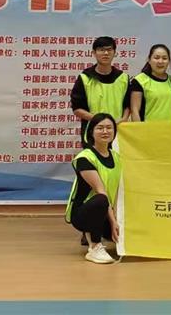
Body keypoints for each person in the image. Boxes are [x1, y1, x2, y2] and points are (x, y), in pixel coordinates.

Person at [65, 113, 121, 264]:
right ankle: (94, 246)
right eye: (100, 128)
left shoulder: (117, 157)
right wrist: (113, 222)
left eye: (109, 127)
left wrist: (118, 219)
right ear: (91, 132)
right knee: (101, 199)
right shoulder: (85, 158)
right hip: (84, 213)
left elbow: (116, 191)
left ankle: (106, 235)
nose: (105, 131)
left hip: (106, 212)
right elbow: (101, 191)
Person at [71, 36, 130, 142]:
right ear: (94, 53)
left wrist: (124, 119)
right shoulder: (85, 78)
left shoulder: (123, 78)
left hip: (118, 131)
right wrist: (99, 121)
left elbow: (128, 104)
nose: (106, 53)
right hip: (92, 131)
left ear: (115, 52)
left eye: (109, 50)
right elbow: (77, 108)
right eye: (101, 50)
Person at [130, 44, 171, 122]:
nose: (160, 61)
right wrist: (138, 129)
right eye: (156, 58)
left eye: (164, 58)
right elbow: (134, 111)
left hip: (170, 128)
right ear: (149, 60)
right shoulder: (139, 81)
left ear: (169, 61)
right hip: (148, 128)